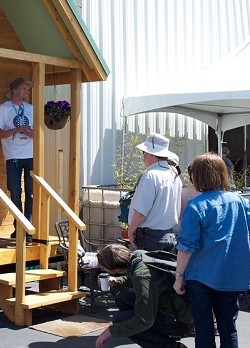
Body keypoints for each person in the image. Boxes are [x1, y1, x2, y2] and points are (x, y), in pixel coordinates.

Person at [173, 153, 250, 348]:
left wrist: (178, 276)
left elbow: (186, 247)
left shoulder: (196, 206)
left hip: (201, 276)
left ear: (197, 177)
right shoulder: (240, 202)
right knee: (228, 327)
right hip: (232, 274)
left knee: (204, 327)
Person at [94, 244, 193, 348]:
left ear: (117, 269)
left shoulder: (141, 276)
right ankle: (157, 337)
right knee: (122, 298)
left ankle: (172, 346)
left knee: (120, 321)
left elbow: (144, 320)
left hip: (179, 320)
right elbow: (137, 280)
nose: (103, 270)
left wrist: (110, 331)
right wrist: (117, 281)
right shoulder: (137, 256)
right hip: (174, 305)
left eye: (104, 268)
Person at [0, 77, 34, 242]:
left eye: (27, 89)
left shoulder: (31, 108)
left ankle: (28, 230)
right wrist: (16, 130)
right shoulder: (3, 109)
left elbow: (40, 133)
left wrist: (32, 134)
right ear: (15, 91)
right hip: (13, 156)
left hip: (31, 155)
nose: (27, 92)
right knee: (15, 192)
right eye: (24, 89)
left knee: (30, 194)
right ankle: (19, 228)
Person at [127, 133, 182, 252]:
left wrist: (131, 231)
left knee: (146, 270)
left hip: (149, 237)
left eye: (144, 152)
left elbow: (141, 210)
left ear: (151, 153)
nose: (143, 156)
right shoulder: (174, 176)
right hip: (169, 235)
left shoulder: (150, 175)